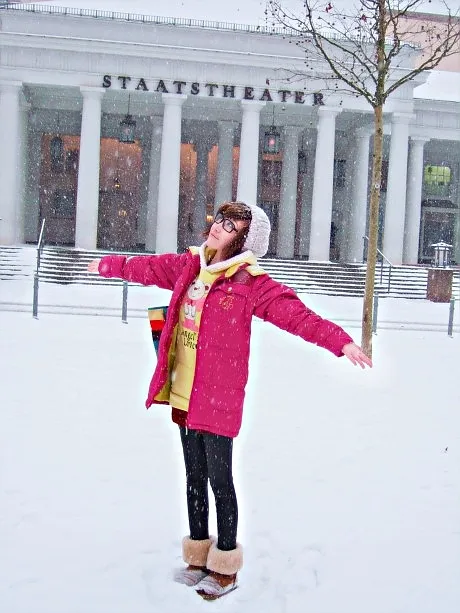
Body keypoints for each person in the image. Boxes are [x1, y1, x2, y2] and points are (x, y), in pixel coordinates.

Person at [88, 201, 372, 600]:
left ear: (244, 240)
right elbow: (148, 268)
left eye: (230, 225)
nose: (218, 227)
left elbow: (297, 316)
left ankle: (224, 568)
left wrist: (340, 342)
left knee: (220, 481)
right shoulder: (190, 266)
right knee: (193, 477)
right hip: (184, 390)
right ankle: (196, 558)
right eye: (220, 219)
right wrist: (111, 265)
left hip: (218, 397)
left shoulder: (251, 283)